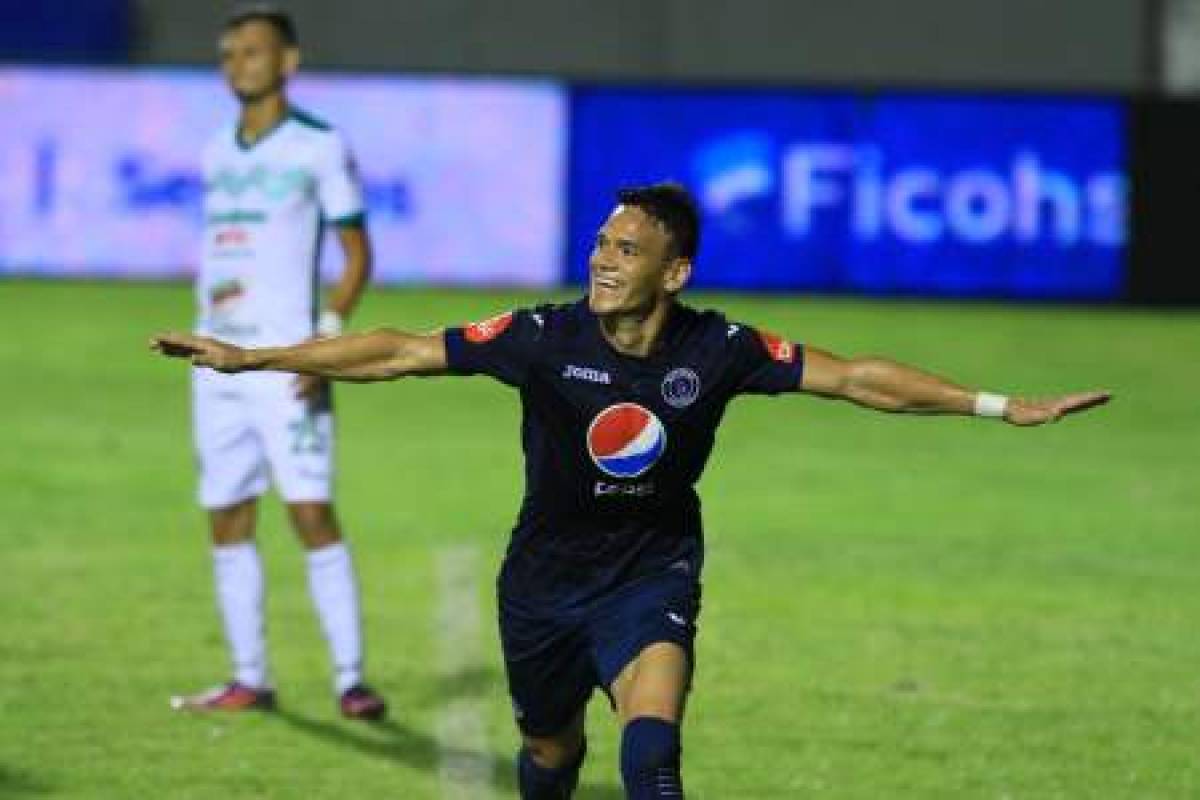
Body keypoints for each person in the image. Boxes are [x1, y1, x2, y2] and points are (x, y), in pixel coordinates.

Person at [152, 182, 1109, 796]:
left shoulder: (720, 348)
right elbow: (400, 350)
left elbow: (857, 377)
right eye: (601, 244)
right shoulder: (540, 336)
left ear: (675, 270)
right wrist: (256, 356)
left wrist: (999, 404)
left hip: (651, 575)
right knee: (552, 755)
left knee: (650, 758)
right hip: (541, 585)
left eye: (626, 249)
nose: (603, 260)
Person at [172, 5, 386, 719]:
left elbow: (357, 253)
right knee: (227, 514)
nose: (238, 63)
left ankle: (351, 678)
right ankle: (248, 677)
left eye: (253, 51)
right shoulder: (217, 150)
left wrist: (324, 344)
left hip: (288, 361)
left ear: (288, 61)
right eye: (229, 52)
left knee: (309, 509)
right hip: (214, 359)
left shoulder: (319, 146)